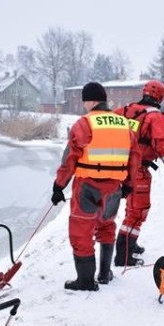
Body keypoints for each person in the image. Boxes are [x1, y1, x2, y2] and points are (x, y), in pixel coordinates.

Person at [51, 82, 139, 291]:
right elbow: (135, 157)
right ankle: (105, 273)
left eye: (84, 101)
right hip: (114, 187)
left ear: (89, 101)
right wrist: (128, 185)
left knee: (81, 230)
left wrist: (58, 186)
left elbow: (70, 159)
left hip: (87, 187)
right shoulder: (124, 124)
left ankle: (85, 281)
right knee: (107, 226)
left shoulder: (84, 124)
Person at [112, 80, 164, 267]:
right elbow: (163, 148)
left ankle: (130, 244)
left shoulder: (125, 110)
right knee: (138, 212)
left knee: (131, 208)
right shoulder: (155, 117)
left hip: (121, 168)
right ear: (160, 97)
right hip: (139, 170)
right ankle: (123, 254)